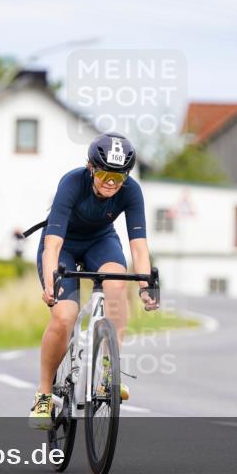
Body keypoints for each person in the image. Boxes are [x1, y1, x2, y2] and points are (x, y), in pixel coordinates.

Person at [29, 133, 159, 430]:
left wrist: (145, 287)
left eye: (118, 176)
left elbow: (138, 246)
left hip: (101, 242)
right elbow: (52, 244)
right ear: (90, 167)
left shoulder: (131, 191)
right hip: (63, 245)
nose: (111, 182)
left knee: (117, 285)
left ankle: (109, 373)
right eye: (104, 174)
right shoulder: (72, 183)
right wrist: (50, 284)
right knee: (64, 317)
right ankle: (43, 393)